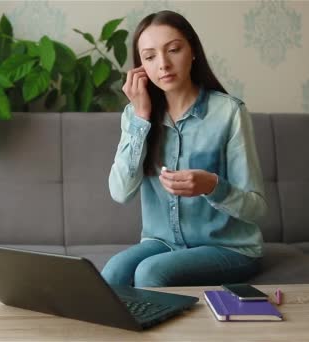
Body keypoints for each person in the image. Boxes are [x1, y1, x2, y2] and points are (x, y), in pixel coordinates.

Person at [102, 10, 267, 287]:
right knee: (113, 272)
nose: (163, 64)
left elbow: (256, 208)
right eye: (150, 56)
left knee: (150, 273)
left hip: (230, 248)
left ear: (192, 51)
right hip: (163, 244)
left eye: (174, 50)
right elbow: (120, 193)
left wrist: (212, 186)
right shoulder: (135, 115)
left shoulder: (229, 113)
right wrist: (141, 119)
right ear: (140, 67)